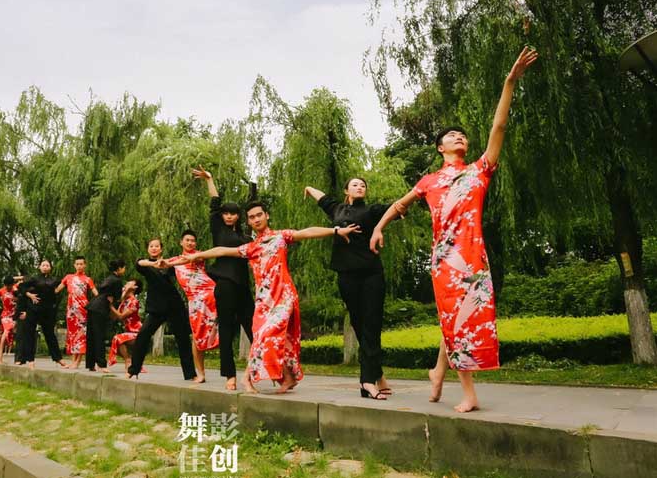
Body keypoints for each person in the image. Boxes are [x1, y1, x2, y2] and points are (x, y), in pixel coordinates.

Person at [370, 46, 538, 413]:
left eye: (462, 135)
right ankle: (469, 393)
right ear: (439, 147)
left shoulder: (480, 170)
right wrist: (378, 229)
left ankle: (437, 371)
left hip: (474, 255)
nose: (459, 137)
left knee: (466, 315)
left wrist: (509, 82)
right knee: (455, 316)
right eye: (451, 136)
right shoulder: (429, 181)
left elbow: (499, 127)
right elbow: (400, 205)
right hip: (445, 260)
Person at [184, 201, 359, 393]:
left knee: (268, 333)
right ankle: (289, 377)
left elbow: (307, 232)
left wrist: (335, 231)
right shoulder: (251, 247)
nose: (256, 219)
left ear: (267, 216)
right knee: (271, 336)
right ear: (248, 222)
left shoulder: (280, 237)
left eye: (259, 215)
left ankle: (247, 378)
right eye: (252, 217)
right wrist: (196, 256)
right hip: (264, 300)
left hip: (284, 295)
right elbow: (222, 250)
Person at [304, 178, 394, 400]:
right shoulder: (337, 209)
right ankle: (378, 374)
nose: (360, 186)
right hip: (346, 274)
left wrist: (417, 193)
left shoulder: (373, 210)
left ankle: (367, 381)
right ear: (346, 190)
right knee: (358, 322)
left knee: (372, 324)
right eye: (355, 185)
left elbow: (398, 207)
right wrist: (308, 188)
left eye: (363, 184)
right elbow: (321, 196)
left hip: (372, 273)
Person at [191, 167, 255, 391]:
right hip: (225, 285)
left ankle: (259, 371)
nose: (229, 215)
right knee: (227, 330)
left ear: (239, 216)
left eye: (233, 213)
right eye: (226, 213)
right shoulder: (218, 230)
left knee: (253, 329)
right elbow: (214, 203)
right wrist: (209, 179)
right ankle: (230, 375)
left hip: (243, 287)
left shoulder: (247, 237)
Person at [126, 238, 197, 381]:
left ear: (161, 249)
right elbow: (139, 263)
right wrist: (154, 264)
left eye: (156, 246)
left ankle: (191, 374)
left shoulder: (169, 264)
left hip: (174, 306)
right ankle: (133, 370)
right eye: (151, 246)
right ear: (148, 249)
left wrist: (166, 263)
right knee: (143, 337)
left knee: (183, 339)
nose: (154, 248)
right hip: (156, 308)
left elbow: (182, 263)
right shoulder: (146, 265)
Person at [165, 230, 219, 383]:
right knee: (197, 336)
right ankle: (200, 373)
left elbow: (214, 253)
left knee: (222, 332)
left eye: (193, 241)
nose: (190, 243)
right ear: (181, 242)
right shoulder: (174, 260)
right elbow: (161, 264)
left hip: (211, 295)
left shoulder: (199, 255)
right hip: (195, 302)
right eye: (187, 240)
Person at [86, 260, 135, 372]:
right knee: (99, 336)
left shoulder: (108, 278)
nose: (124, 270)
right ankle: (102, 365)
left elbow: (104, 292)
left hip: (93, 306)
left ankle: (90, 364)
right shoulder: (117, 281)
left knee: (91, 336)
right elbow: (117, 299)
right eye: (123, 268)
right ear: (119, 269)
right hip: (101, 308)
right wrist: (126, 291)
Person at [21, 260, 68, 368]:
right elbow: (22, 287)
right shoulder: (34, 279)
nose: (45, 267)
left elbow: (62, 286)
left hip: (47, 311)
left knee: (50, 334)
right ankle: (30, 360)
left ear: (50, 267)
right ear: (39, 267)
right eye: (43, 265)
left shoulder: (54, 279)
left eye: (47, 265)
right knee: (30, 333)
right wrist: (30, 295)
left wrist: (54, 301)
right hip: (34, 309)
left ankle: (58, 359)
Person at [58, 256, 97, 369]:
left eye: (81, 264)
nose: (79, 266)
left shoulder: (88, 279)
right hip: (71, 311)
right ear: (74, 265)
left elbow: (96, 294)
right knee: (72, 335)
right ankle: (73, 360)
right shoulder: (68, 277)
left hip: (82, 310)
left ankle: (78, 362)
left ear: (85, 265)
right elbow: (56, 290)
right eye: (77, 264)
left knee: (81, 335)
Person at [109, 281, 144, 371]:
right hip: (129, 332)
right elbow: (114, 318)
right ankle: (132, 361)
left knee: (117, 338)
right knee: (117, 342)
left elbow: (121, 316)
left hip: (138, 332)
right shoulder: (124, 302)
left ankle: (128, 361)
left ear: (135, 287)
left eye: (128, 284)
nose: (125, 285)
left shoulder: (134, 301)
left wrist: (110, 306)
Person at [0, 275, 19, 365]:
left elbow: (24, 278)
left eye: (10, 285)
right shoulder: (0, 291)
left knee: (4, 335)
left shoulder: (16, 288)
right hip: (5, 315)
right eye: (6, 285)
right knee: (5, 333)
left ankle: (1, 357)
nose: (8, 287)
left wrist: (15, 279)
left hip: (15, 316)